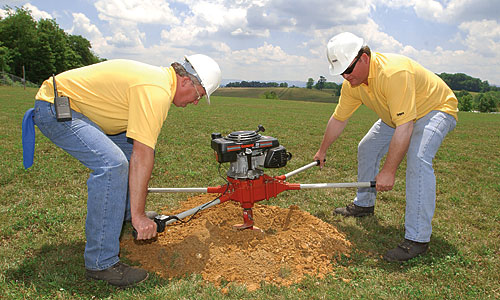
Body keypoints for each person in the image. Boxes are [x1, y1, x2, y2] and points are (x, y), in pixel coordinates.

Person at [21, 54, 221, 286]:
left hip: (79, 109)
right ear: (186, 81)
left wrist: (136, 212)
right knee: (113, 164)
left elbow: (140, 150)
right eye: (198, 96)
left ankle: (124, 214)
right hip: (57, 107)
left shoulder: (159, 83)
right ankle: (101, 262)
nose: (195, 102)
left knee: (128, 152)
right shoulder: (155, 90)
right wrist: (140, 217)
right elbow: (142, 155)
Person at [314, 32, 457, 262]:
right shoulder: (352, 84)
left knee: (418, 159)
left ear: (364, 58)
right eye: (341, 72)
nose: (345, 76)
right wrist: (322, 150)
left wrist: (389, 171)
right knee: (367, 147)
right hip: (398, 115)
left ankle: (418, 239)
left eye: (348, 70)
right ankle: (364, 204)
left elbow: (405, 126)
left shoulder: (393, 73)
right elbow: (339, 119)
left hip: (435, 109)